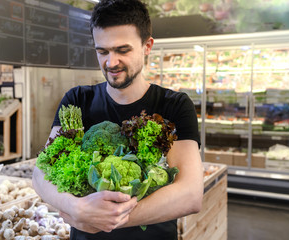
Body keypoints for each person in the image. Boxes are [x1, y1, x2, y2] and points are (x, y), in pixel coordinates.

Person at [32, 0, 203, 239]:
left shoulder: (173, 105)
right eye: (102, 51)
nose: (111, 63)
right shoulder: (78, 100)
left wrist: (107, 219)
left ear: (147, 46)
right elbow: (40, 173)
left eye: (123, 50)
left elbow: (191, 194)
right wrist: (77, 209)